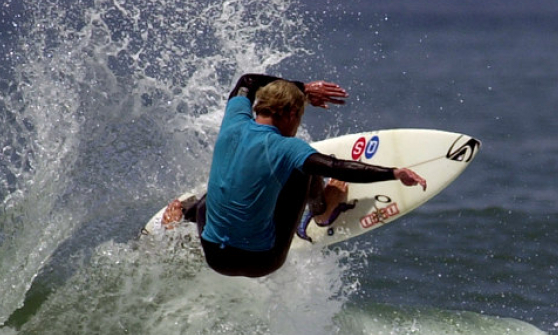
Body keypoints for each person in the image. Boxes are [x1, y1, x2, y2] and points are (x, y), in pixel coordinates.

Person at [165, 73, 427, 278]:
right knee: (305, 167)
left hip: (215, 257)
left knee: (227, 185)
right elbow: (335, 168)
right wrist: (394, 172)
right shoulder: (288, 148)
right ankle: (322, 209)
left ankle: (185, 213)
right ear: (291, 114)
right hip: (261, 261)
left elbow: (248, 81)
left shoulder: (234, 120)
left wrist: (301, 88)